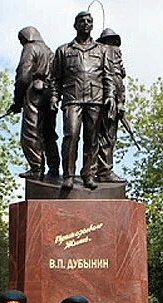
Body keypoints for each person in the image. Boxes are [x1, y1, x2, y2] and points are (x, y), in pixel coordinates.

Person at [50, 11, 115, 190]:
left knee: (92, 138)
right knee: (71, 135)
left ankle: (88, 174)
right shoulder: (64, 50)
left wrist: (109, 95)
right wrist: (55, 97)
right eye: (82, 21)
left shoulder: (102, 50)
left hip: (95, 98)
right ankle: (68, 175)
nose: (86, 23)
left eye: (89, 21)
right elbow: (55, 78)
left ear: (92, 25)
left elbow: (108, 76)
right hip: (72, 98)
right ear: (75, 25)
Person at [9, 26, 61, 180]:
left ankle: (36, 168)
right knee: (49, 134)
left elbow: (23, 76)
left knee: (30, 133)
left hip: (34, 93)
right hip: (51, 93)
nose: (22, 44)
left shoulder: (30, 48)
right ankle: (54, 168)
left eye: (22, 40)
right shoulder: (50, 52)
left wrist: (17, 101)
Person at [95, 27, 126, 183]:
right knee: (107, 137)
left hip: (99, 99)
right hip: (108, 102)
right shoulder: (112, 54)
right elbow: (116, 83)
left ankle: (97, 169)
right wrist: (120, 102)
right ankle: (104, 170)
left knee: (100, 137)